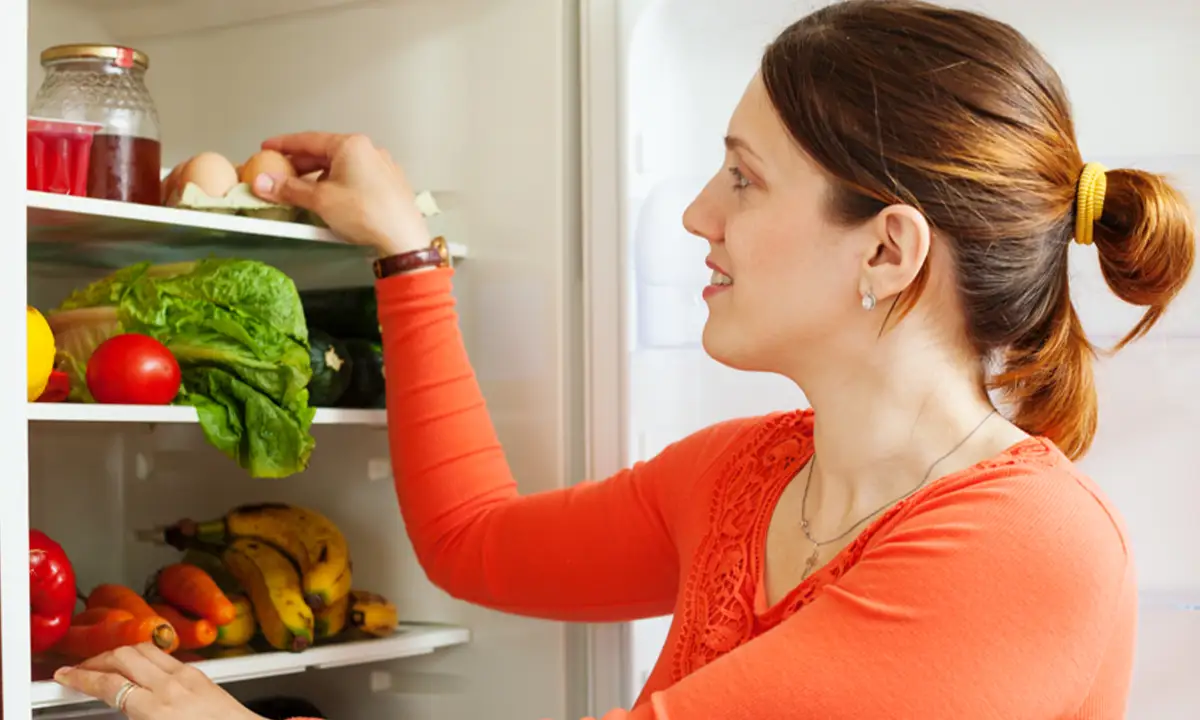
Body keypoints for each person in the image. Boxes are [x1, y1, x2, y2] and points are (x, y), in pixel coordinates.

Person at [54, 1, 1195, 718]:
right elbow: (474, 541)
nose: (699, 214)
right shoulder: (744, 478)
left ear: (888, 250)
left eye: (743, 178)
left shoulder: (1022, 550)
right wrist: (408, 254)